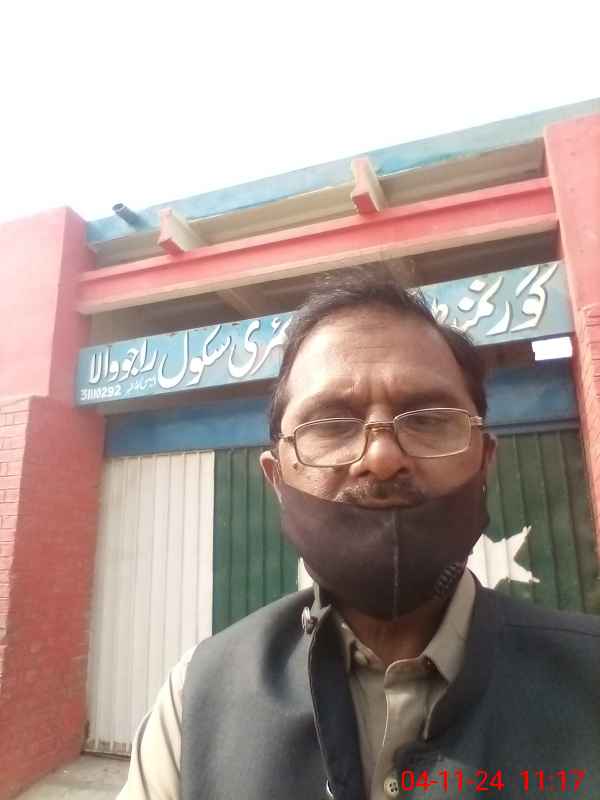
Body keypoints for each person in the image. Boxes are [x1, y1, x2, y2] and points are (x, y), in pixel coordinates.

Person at [117, 271, 600, 800]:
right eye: (330, 424)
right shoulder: (195, 701)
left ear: (484, 462)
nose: (382, 457)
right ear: (277, 479)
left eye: (428, 419)